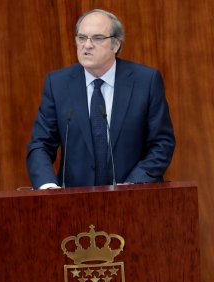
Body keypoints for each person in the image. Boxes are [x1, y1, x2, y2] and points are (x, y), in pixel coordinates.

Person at [26, 9, 175, 189]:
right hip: (73, 201)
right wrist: (48, 186)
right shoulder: (57, 84)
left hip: (133, 199)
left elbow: (162, 143)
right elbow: (40, 144)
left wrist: (133, 184)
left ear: (116, 45)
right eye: (81, 38)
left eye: (97, 38)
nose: (86, 45)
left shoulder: (146, 81)